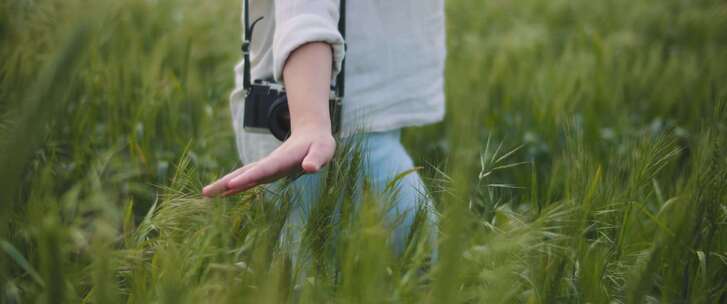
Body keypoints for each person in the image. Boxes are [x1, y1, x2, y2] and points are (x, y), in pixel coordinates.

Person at [203, 0, 446, 257]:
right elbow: (305, 10)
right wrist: (309, 121)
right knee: (314, 271)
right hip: (306, 126)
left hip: (367, 111)